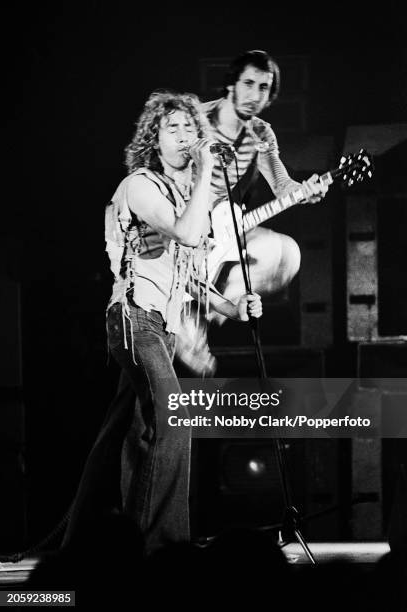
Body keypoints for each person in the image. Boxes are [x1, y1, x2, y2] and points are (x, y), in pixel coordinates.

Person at [62, 90, 262, 554]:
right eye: (171, 129)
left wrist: (234, 308)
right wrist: (208, 168)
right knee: (174, 419)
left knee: (120, 440)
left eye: (190, 128)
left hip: (162, 329)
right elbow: (189, 234)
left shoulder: (183, 197)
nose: (183, 137)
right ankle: (160, 548)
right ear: (154, 140)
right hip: (136, 320)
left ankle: (80, 546)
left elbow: (189, 276)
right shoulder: (141, 186)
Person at [176, 50, 329, 375]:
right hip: (182, 225)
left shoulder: (260, 133)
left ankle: (201, 310)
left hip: (226, 223)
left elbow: (282, 184)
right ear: (231, 84)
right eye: (248, 83)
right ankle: (188, 306)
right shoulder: (195, 120)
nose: (254, 95)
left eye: (263, 87)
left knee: (286, 255)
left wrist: (307, 190)